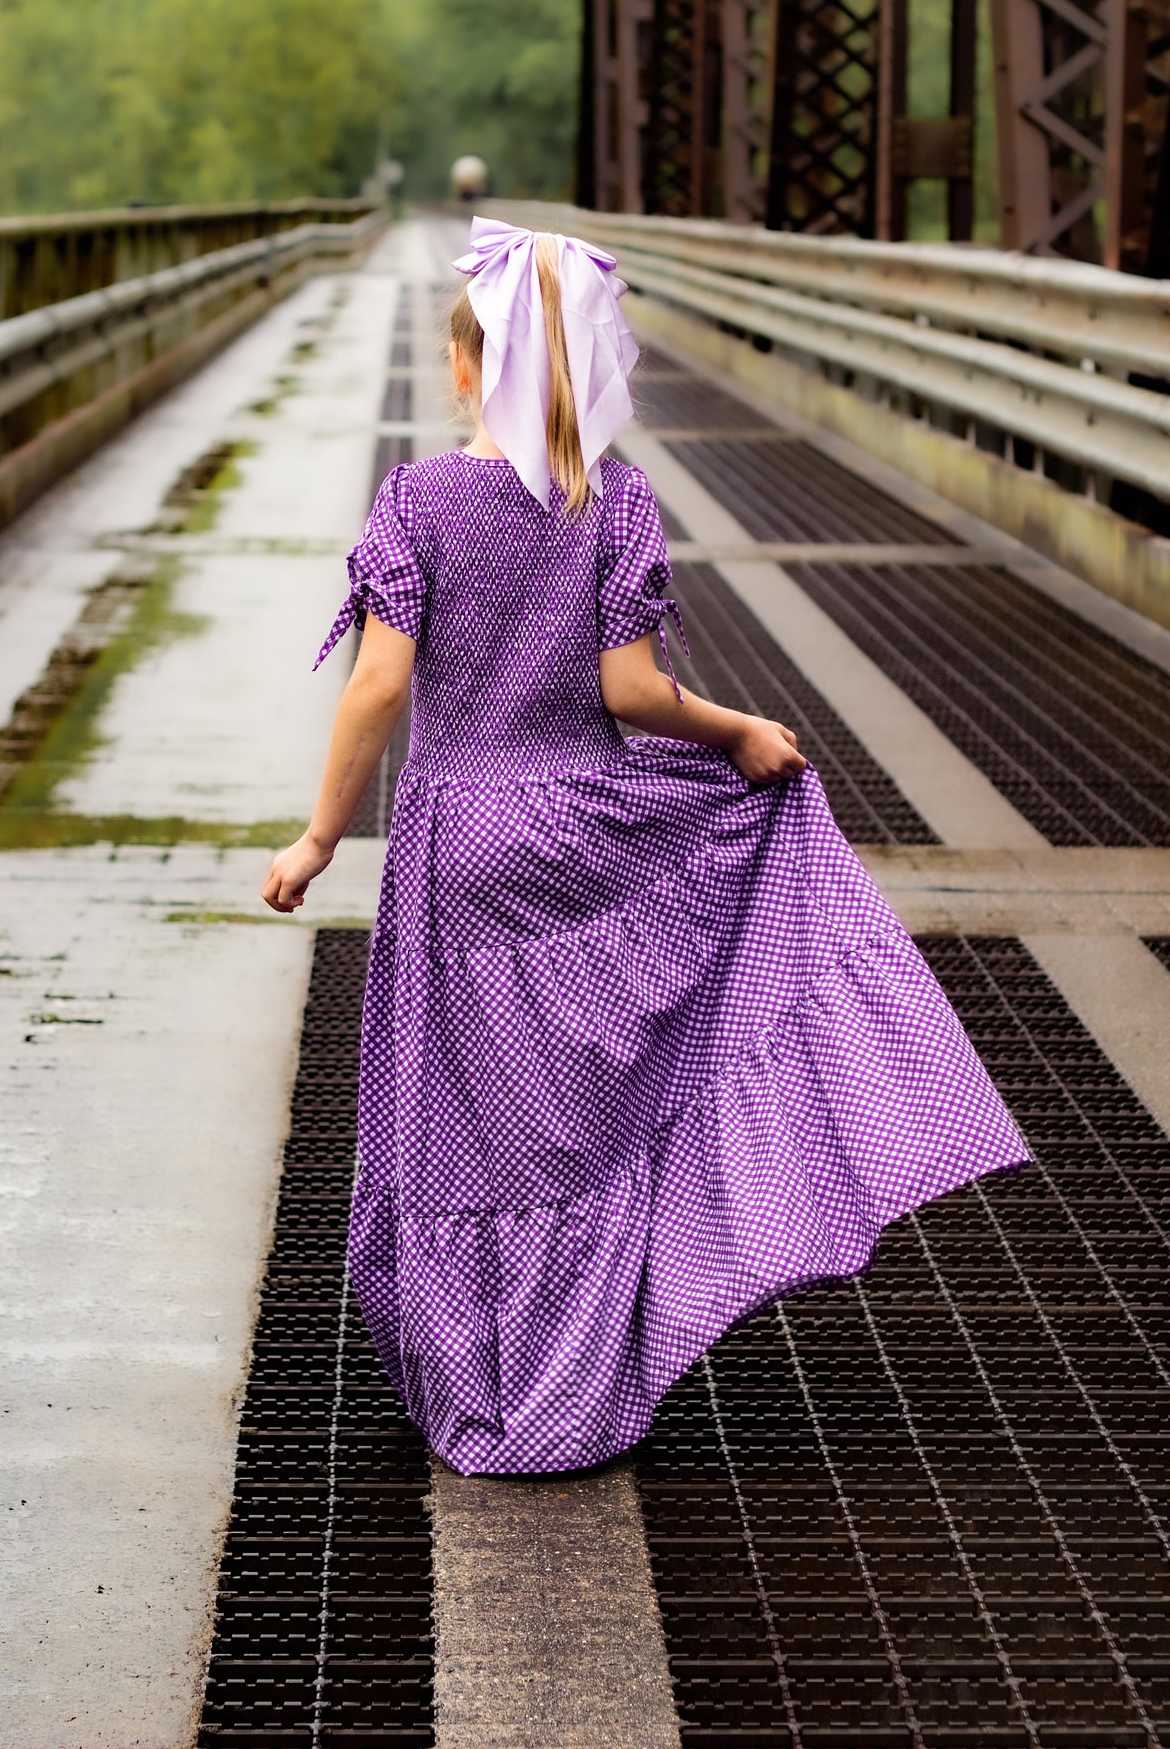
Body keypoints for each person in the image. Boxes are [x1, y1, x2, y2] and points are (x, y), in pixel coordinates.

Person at [262, 216, 1029, 1476]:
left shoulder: (416, 499)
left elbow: (379, 684)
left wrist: (318, 836)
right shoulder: (614, 500)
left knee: (468, 1120)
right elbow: (629, 691)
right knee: (578, 1116)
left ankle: (477, 1380)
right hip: (584, 833)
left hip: (459, 841)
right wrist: (738, 732)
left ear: (465, 367)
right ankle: (572, 1383)